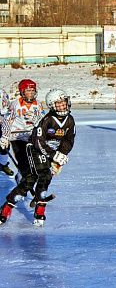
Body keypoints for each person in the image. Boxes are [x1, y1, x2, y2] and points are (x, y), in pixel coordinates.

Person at [0, 89, 75, 227]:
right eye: (58, 104)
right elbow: (38, 142)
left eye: (63, 103)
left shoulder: (70, 120)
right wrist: (54, 155)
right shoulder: (47, 120)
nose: (62, 106)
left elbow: (68, 141)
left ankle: (8, 207)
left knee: (32, 179)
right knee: (42, 175)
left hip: (50, 152)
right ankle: (38, 209)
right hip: (34, 149)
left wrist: (61, 157)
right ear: (52, 106)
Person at [0, 79, 45, 179]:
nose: (30, 93)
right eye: (28, 91)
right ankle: (22, 178)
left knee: (35, 160)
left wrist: (36, 120)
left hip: (32, 136)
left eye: (32, 90)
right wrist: (5, 136)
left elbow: (43, 121)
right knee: (23, 159)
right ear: (22, 92)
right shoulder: (15, 105)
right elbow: (7, 121)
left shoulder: (38, 104)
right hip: (17, 136)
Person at [0, 88, 16, 177]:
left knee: (5, 144)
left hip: (2, 123)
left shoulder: (2, 93)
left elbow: (8, 110)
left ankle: (2, 165)